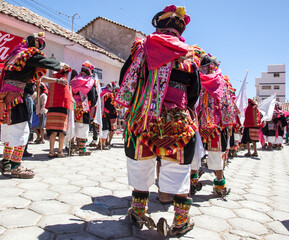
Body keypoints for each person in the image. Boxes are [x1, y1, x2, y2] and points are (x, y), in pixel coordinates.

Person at [116, 5, 200, 236]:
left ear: (160, 25)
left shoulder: (142, 48)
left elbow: (126, 79)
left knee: (140, 165)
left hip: (142, 120)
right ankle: (180, 221)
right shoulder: (190, 55)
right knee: (178, 169)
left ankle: (138, 210)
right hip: (178, 122)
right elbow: (194, 93)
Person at [0, 32, 67, 178]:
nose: (41, 46)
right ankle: (16, 166)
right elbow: (44, 62)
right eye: (40, 43)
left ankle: (5, 162)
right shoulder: (30, 54)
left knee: (10, 130)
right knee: (21, 130)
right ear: (36, 42)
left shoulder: (15, 54)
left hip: (6, 97)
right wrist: (60, 65)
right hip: (17, 97)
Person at [196, 54, 237, 198]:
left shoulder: (197, 80)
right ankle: (220, 186)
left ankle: (192, 182)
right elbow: (226, 105)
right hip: (215, 127)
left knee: (196, 154)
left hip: (198, 124)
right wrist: (228, 123)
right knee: (215, 155)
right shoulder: (221, 82)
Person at [43, 68, 74, 158]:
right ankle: (60, 152)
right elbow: (67, 96)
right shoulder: (64, 81)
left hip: (52, 107)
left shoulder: (53, 80)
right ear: (65, 73)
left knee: (53, 131)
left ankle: (51, 151)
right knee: (61, 131)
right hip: (62, 108)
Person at [70, 61, 98, 156]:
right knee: (83, 126)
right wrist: (93, 104)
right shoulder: (90, 81)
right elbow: (93, 97)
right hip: (84, 106)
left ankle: (71, 146)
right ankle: (82, 149)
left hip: (73, 106)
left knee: (73, 125)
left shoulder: (74, 80)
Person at [23, 83, 36, 157]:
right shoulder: (30, 72)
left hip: (17, 96)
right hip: (26, 97)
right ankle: (23, 149)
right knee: (27, 124)